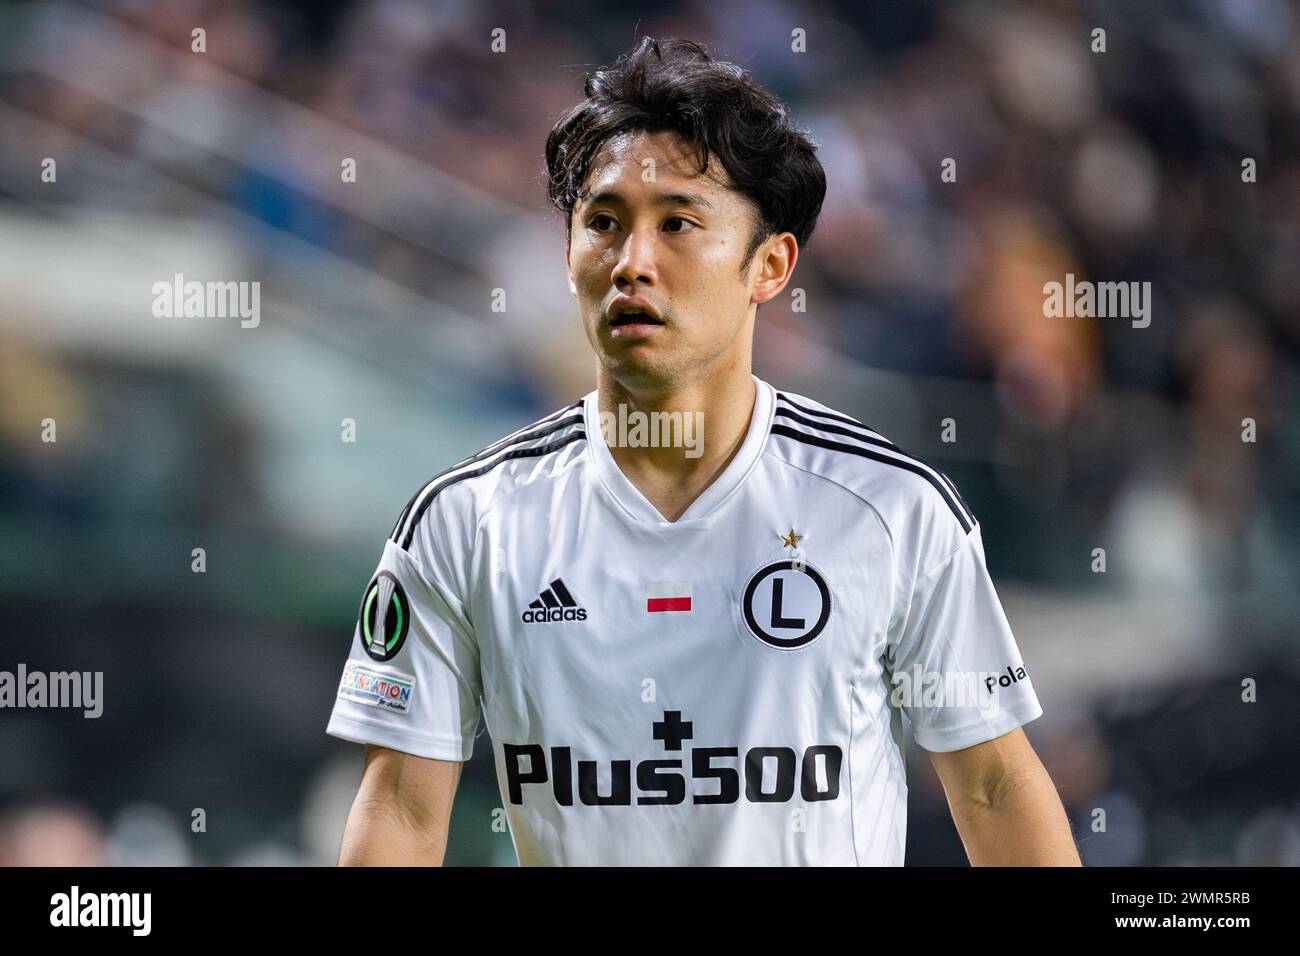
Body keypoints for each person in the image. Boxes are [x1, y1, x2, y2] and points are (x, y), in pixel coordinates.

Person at [326, 36, 1080, 866]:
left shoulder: (890, 510)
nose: (632, 263)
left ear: (769, 265)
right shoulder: (465, 522)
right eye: (603, 223)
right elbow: (399, 806)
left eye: (679, 222)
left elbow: (993, 787)